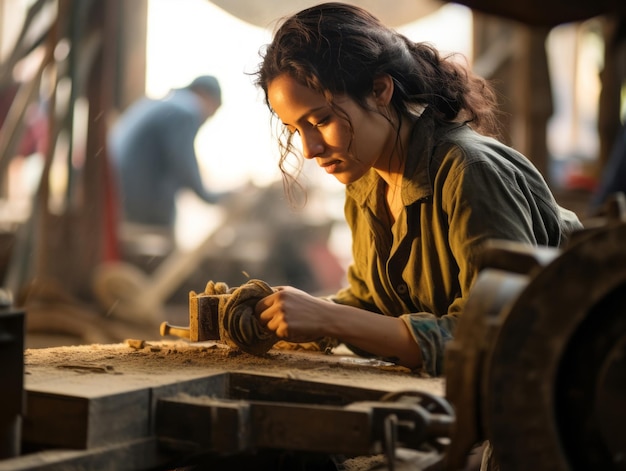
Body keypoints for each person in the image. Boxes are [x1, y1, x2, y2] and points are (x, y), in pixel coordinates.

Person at [252, 3, 583, 377]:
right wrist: (273, 314)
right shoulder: (365, 181)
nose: (310, 149)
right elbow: (372, 305)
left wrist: (329, 318)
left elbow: (494, 338)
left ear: (380, 90)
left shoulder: (469, 172)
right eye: (297, 130)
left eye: (322, 120)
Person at [108, 75, 227, 251]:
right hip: (139, 201)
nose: (207, 119)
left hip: (117, 194)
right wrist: (215, 197)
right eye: (212, 112)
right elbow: (184, 167)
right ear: (205, 96)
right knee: (170, 254)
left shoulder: (161, 103)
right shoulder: (187, 109)